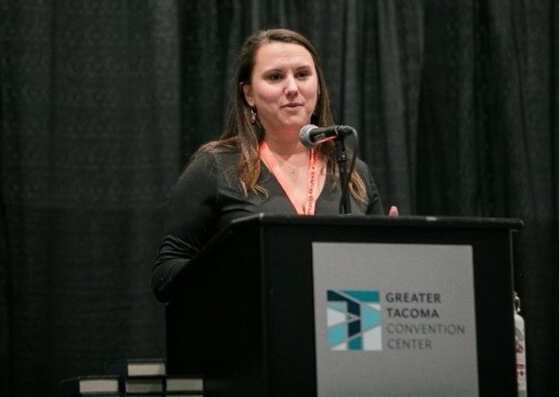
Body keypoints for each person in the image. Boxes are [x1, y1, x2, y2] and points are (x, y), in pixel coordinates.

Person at [151, 28, 396, 302]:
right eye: (275, 77)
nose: (292, 88)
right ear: (249, 94)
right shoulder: (216, 167)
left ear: (317, 86)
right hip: (252, 323)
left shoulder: (352, 170)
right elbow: (165, 274)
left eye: (302, 75)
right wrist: (235, 272)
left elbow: (375, 283)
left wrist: (391, 253)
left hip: (340, 324)